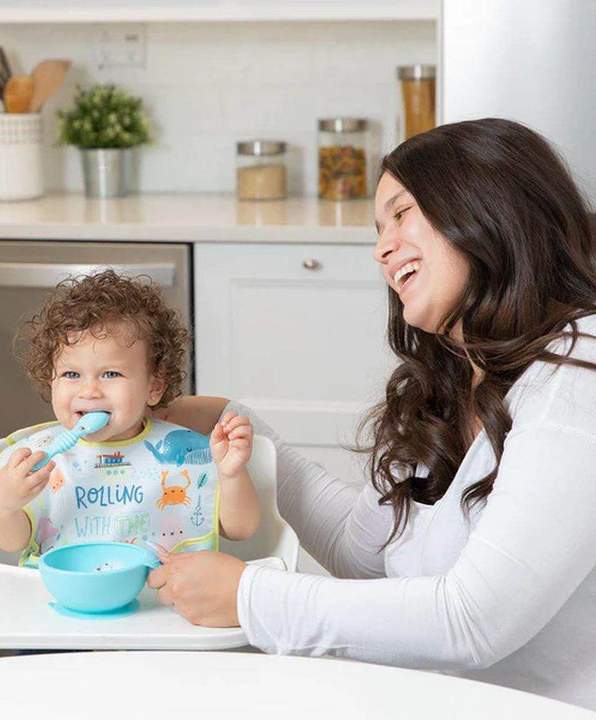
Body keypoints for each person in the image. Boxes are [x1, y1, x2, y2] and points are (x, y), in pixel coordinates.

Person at [147, 118, 596, 710]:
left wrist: (250, 597)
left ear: (488, 207)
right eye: (378, 230)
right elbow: (360, 552)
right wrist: (239, 431)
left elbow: (476, 619)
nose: (381, 249)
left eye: (401, 213)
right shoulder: (456, 384)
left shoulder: (579, 370)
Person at [0, 270, 259, 566]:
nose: (89, 391)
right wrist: (3, 506)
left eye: (111, 374)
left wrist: (231, 474)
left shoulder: (183, 452)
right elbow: (12, 542)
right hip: (64, 591)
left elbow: (239, 530)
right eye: (71, 374)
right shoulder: (39, 459)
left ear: (153, 388)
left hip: (164, 591)